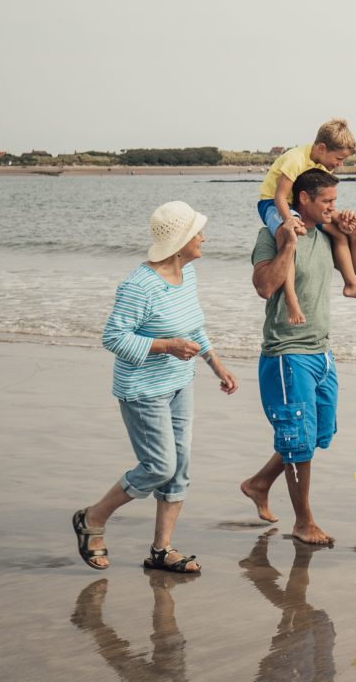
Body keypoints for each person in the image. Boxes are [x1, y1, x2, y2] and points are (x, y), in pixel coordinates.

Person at [72, 200, 239, 574]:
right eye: (198, 233)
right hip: (143, 389)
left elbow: (192, 325)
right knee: (160, 466)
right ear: (180, 241)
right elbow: (113, 338)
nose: (204, 238)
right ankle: (93, 518)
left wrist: (216, 364)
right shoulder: (139, 286)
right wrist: (166, 346)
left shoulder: (188, 275)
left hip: (180, 384)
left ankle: (161, 551)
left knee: (179, 469)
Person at [239, 169, 356, 544]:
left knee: (318, 434)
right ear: (303, 199)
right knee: (298, 441)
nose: (332, 208)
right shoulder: (270, 235)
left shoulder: (325, 234)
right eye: (327, 201)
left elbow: (355, 269)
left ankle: (260, 483)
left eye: (335, 201)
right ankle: (303, 521)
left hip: (321, 352)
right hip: (286, 354)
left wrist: (355, 233)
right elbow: (264, 286)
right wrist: (288, 243)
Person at [256, 118, 356, 314]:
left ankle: (351, 284)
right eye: (338, 159)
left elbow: (318, 200)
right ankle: (291, 297)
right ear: (322, 148)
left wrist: (346, 223)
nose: (339, 164)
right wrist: (289, 220)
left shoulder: (320, 164)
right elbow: (280, 196)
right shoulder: (295, 159)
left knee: (338, 233)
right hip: (273, 202)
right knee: (288, 234)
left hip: (297, 205)